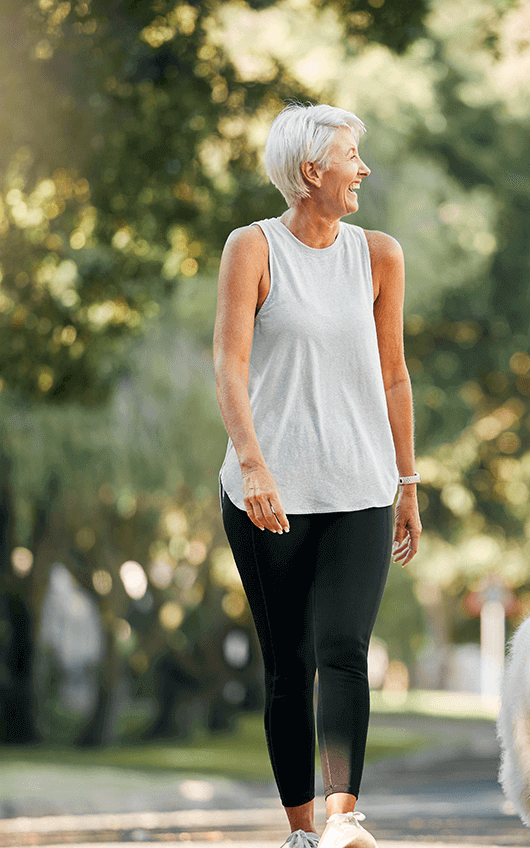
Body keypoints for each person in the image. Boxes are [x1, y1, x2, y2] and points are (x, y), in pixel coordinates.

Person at [213, 103, 421, 848]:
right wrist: (254, 465)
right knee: (289, 663)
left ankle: (342, 821)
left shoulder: (379, 255)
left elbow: (395, 377)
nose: (361, 168)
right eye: (351, 156)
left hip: (360, 489)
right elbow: (230, 365)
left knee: (343, 649)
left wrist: (408, 484)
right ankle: (301, 831)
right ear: (311, 171)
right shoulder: (253, 248)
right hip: (267, 495)